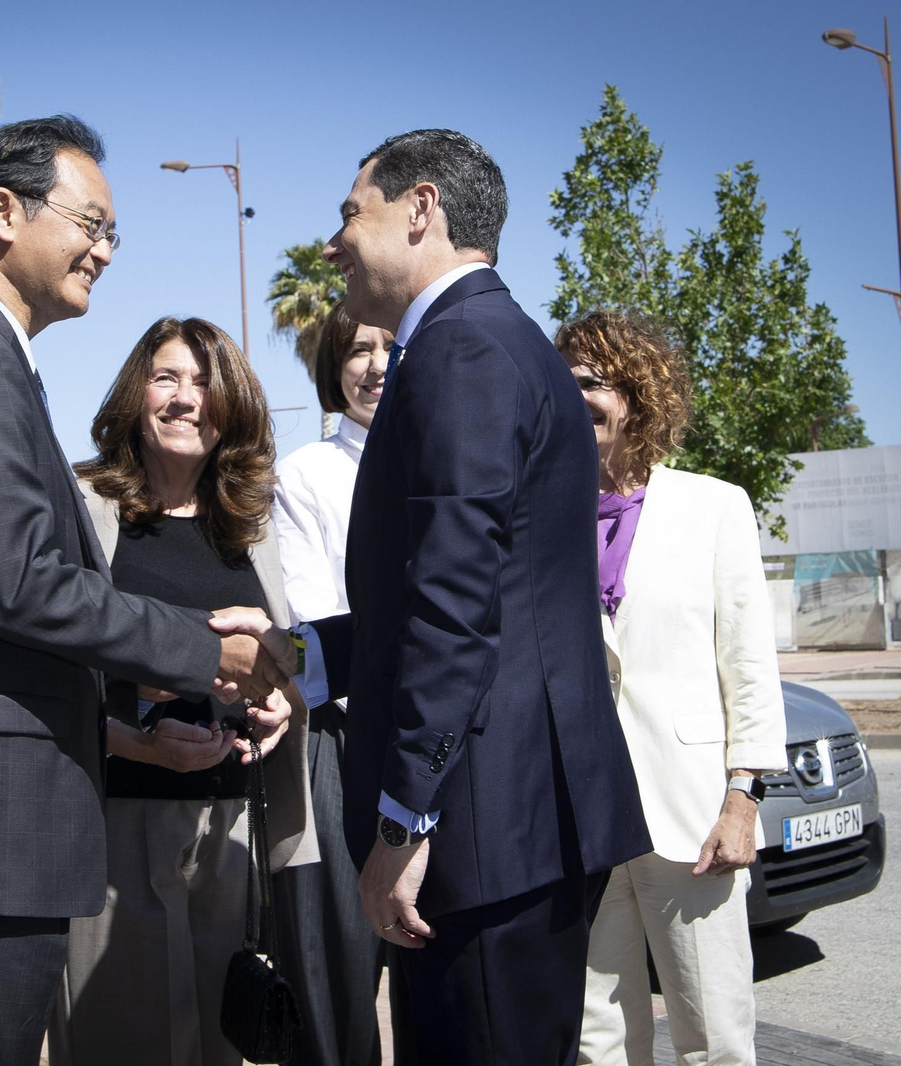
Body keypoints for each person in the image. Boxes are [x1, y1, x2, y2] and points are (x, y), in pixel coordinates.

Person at [0, 115, 291, 1066]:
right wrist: (215, 653)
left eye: (111, 232)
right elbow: (24, 584)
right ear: (3, 210)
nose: (105, 249)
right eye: (90, 223)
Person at [214, 128, 652, 1066]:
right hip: (511, 825)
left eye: (349, 214)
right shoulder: (493, 342)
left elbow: (456, 611)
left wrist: (407, 821)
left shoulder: (463, 351)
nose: (333, 244)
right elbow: (442, 597)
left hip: (483, 830)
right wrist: (296, 659)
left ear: (421, 209)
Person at [48, 316, 316, 1066]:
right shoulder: (83, 503)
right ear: (137, 393)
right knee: (121, 1046)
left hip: (231, 829)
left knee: (216, 1049)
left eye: (205, 384)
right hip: (111, 825)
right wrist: (134, 738)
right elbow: (47, 665)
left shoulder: (254, 525)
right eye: (167, 378)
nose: (185, 399)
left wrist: (279, 705)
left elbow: (287, 649)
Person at [555, 311, 787, 1066]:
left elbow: (748, 665)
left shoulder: (714, 507)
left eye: (590, 381)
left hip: (690, 819)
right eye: (562, 381)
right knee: (598, 1041)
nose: (572, 395)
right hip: (578, 819)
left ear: (638, 392)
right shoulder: (539, 516)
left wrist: (743, 796)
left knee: (712, 1035)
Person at [269, 301, 393, 1066]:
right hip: (347, 742)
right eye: (356, 350)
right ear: (330, 370)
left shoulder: (450, 457)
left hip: (444, 739)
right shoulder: (306, 473)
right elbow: (318, 614)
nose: (375, 365)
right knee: (343, 976)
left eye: (389, 346)